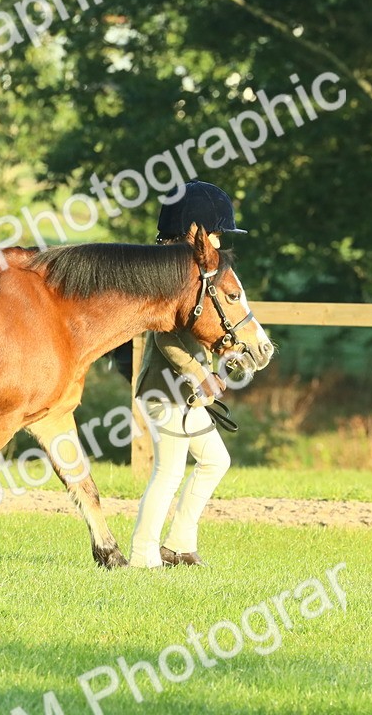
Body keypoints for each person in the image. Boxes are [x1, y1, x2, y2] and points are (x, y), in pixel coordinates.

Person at [129, 180, 249, 569]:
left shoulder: (194, 277)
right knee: (169, 471)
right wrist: (201, 373)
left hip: (185, 394)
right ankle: (142, 555)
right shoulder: (171, 278)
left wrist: (222, 358)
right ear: (196, 231)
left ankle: (178, 544)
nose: (218, 241)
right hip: (164, 391)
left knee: (216, 460)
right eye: (215, 233)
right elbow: (166, 341)